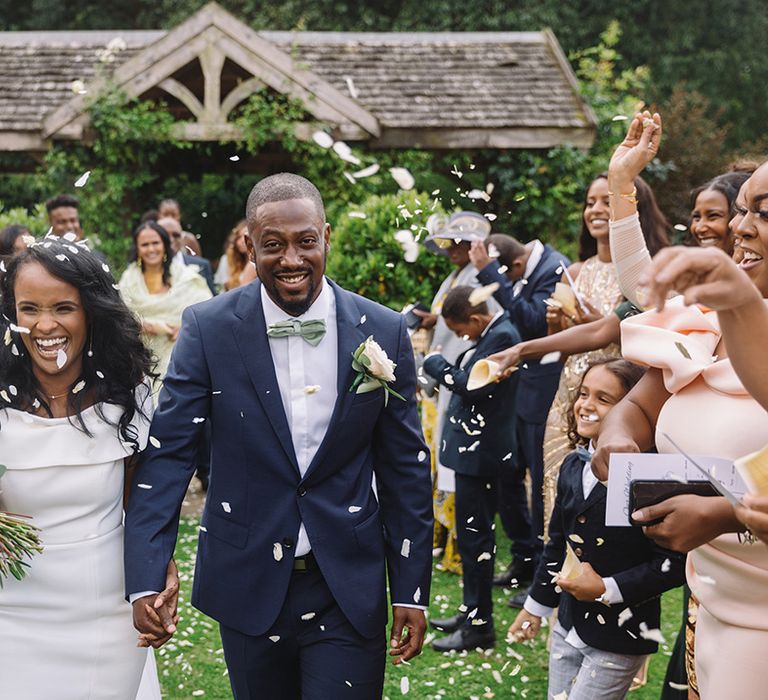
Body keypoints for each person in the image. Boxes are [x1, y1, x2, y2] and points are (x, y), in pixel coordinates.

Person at [124, 173, 434, 699]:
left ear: (326, 237)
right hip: (246, 579)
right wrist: (147, 576)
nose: (291, 259)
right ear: (249, 244)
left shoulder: (382, 330)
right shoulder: (208, 329)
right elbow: (171, 455)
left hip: (347, 584)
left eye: (305, 242)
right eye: (273, 245)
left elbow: (404, 467)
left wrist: (412, 588)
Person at [592, 156, 768, 698]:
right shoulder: (709, 321)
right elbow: (642, 404)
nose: (739, 227)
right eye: (741, 211)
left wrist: (721, 514)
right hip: (711, 599)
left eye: (763, 212)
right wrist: (617, 436)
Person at [0, 235, 177, 699]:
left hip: (106, 612)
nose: (44, 325)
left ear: (91, 311)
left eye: (63, 307)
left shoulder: (126, 394)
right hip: (10, 613)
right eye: (29, 309)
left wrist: (162, 565)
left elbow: (142, 503)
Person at [509, 359, 685, 700]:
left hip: (620, 636)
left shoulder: (652, 478)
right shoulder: (573, 465)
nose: (586, 405)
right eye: (584, 394)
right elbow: (558, 544)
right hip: (567, 625)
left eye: (604, 399)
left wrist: (607, 587)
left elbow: (673, 565)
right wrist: (536, 606)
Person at [538, 172, 670, 550]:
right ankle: (554, 578)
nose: (595, 209)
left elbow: (606, 332)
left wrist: (592, 321)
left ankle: (603, 581)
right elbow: (559, 345)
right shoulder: (575, 271)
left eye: (606, 201)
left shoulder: (647, 274)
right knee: (557, 480)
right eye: (590, 202)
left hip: (618, 394)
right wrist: (554, 326)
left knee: (601, 490)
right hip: (569, 394)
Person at [422, 286, 521, 651]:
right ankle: (470, 611)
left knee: (477, 540)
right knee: (470, 538)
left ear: (476, 319)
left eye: (461, 330)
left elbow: (474, 388)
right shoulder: (493, 333)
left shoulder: (504, 336)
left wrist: (436, 365)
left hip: (483, 457)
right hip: (473, 454)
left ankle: (480, 627)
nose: (461, 336)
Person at [469, 232, 569, 590]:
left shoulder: (556, 268)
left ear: (514, 265)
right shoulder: (526, 268)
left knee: (541, 484)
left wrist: (489, 275)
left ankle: (542, 572)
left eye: (506, 277)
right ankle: (524, 558)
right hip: (522, 391)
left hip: (546, 395)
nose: (506, 284)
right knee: (509, 478)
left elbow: (532, 323)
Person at [416, 211, 498, 575]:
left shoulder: (477, 280)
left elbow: (468, 331)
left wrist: (437, 371)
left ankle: (456, 551)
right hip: (441, 380)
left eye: (460, 243)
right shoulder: (454, 277)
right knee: (439, 462)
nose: (451, 249)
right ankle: (444, 540)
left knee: (452, 463)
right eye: (448, 242)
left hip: (455, 379)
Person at [118, 220, 212, 388]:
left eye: (155, 243)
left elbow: (207, 312)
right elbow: (121, 318)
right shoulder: (128, 280)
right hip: (140, 360)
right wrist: (146, 326)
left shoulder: (186, 278)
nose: (151, 249)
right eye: (145, 244)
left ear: (165, 245)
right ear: (137, 248)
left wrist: (185, 328)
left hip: (183, 355)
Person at [156, 215, 216, 296]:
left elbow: (212, 300)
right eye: (165, 235)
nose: (170, 240)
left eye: (176, 235)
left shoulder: (201, 265)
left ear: (182, 238)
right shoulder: (143, 267)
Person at [225, 219, 258, 290]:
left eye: (246, 236)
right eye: (239, 237)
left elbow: (244, 292)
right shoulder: (236, 263)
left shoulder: (253, 264)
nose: (242, 241)